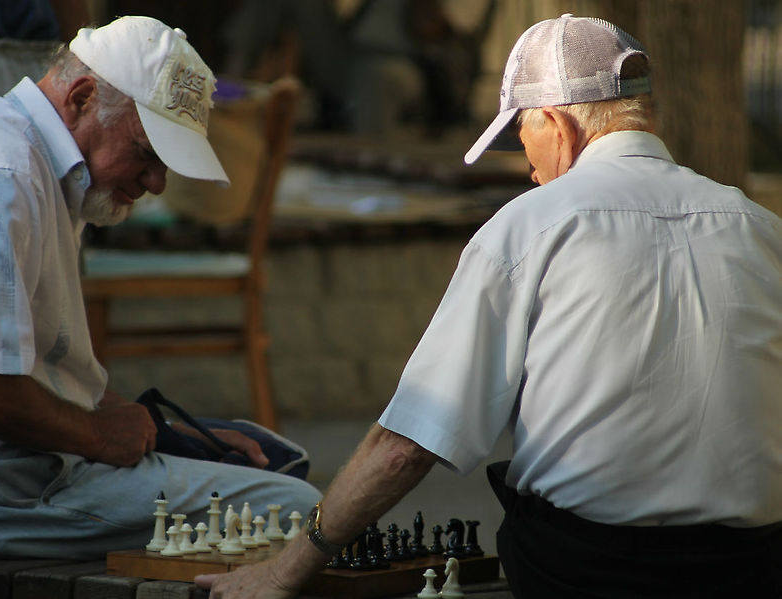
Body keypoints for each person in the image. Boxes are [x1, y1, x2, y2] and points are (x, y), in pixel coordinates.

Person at [196, 14, 782, 599]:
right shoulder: (763, 229)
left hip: (588, 569)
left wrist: (283, 572)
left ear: (556, 123)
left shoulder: (530, 227)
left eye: (523, 138)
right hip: (754, 567)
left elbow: (405, 447)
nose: (528, 170)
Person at [0, 15, 319, 560]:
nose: (157, 183)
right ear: (83, 97)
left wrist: (142, 427)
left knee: (273, 457)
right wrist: (98, 434)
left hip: (11, 467)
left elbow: (28, 371)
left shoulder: (43, 168)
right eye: (147, 152)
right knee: (303, 511)